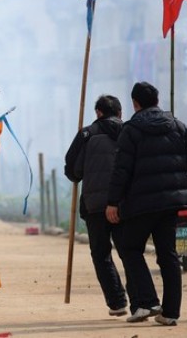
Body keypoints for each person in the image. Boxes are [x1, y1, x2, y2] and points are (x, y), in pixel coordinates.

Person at [106, 82, 187, 327]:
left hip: (141, 203)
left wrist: (113, 202)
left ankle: (149, 301)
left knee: (130, 248)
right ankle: (170, 312)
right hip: (171, 203)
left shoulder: (131, 129)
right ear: (157, 100)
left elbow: (121, 170)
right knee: (168, 255)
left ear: (135, 103)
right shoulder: (178, 126)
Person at [64, 95, 129, 317]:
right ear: (120, 113)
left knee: (101, 254)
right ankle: (142, 300)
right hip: (125, 204)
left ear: (98, 113)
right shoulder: (130, 132)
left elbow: (72, 170)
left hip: (95, 206)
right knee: (130, 252)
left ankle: (117, 302)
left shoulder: (86, 134)